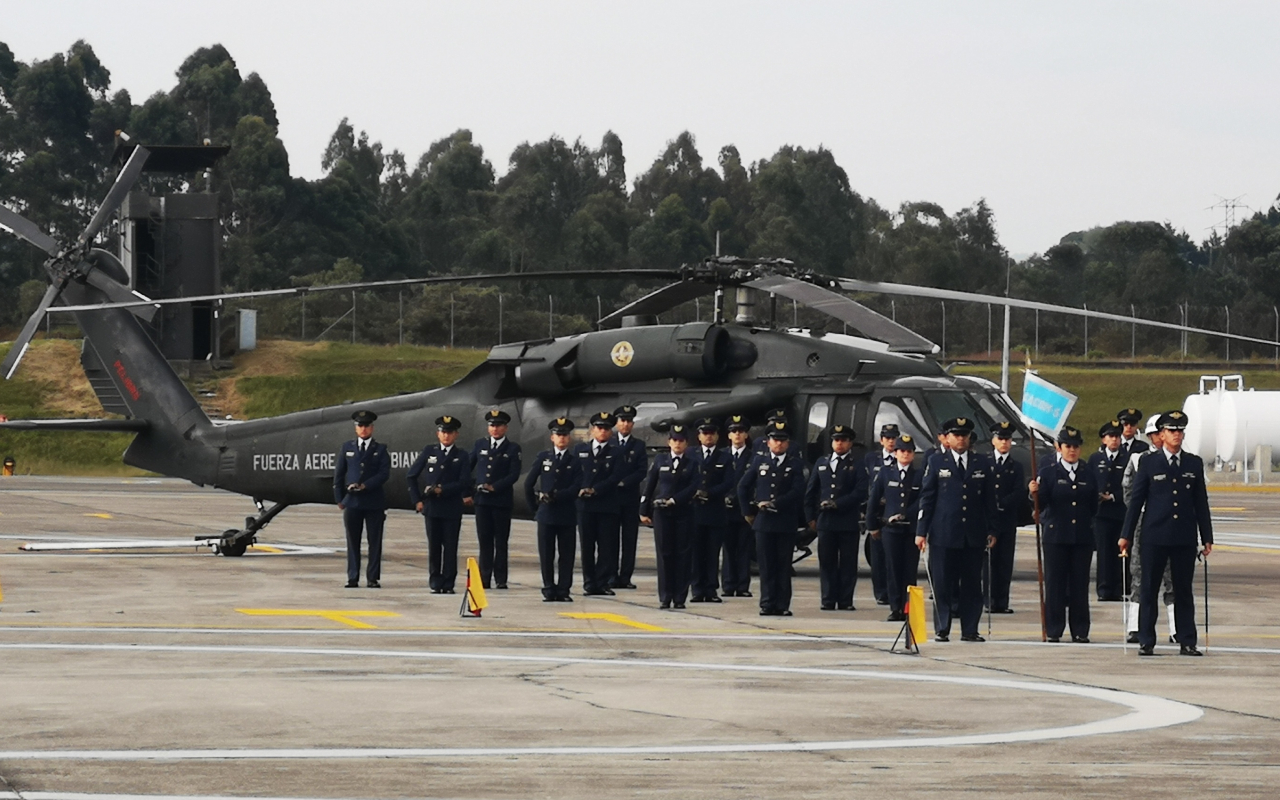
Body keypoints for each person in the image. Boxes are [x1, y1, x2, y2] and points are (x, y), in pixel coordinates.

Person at [1120, 410, 1213, 656]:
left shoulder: (1193, 463)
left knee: (1183, 591)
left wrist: (1207, 537)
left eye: (1180, 431)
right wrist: (1126, 535)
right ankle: (1146, 640)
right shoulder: (1149, 462)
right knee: (1149, 589)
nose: (1177, 435)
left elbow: (1200, 502)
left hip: (1183, 537)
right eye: (1172, 431)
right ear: (1161, 434)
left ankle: (1187, 640)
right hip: (1154, 536)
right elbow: (1136, 501)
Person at [917, 417, 997, 642]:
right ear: (948, 438)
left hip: (973, 534)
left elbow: (989, 500)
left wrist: (993, 529)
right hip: (944, 533)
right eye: (956, 435)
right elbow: (927, 498)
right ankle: (942, 627)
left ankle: (970, 629)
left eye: (964, 435)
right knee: (942, 583)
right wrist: (921, 531)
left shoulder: (981, 463)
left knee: (971, 584)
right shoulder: (936, 461)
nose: (961, 439)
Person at [1029, 426, 1098, 643]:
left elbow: (1093, 505)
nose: (1072, 450)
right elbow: (1042, 504)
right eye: (1068, 446)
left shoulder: (1088, 472)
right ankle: (1054, 629)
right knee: (1055, 583)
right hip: (1056, 536)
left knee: (1079, 584)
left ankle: (1080, 630)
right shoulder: (1048, 472)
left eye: (1076, 446)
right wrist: (1033, 493)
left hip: (1081, 537)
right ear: (1059, 447)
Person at [738, 421, 806, 617]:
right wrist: (748, 511)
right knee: (766, 566)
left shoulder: (795, 464)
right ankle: (767, 603)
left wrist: (776, 503)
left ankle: (782, 604)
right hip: (764, 522)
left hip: (785, 521)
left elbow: (798, 490)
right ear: (768, 442)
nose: (779, 443)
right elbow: (743, 486)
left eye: (782, 440)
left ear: (788, 443)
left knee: (783, 565)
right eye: (775, 440)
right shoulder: (759, 462)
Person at [1122, 415, 1177, 644]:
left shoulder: (1181, 460)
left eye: (1160, 433)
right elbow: (1128, 492)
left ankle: (1176, 628)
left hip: (1172, 525)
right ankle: (1135, 626)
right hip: (1144, 524)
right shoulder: (1139, 460)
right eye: (1154, 434)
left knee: (1173, 578)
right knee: (1139, 575)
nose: (1158, 438)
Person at [805, 424, 866, 610]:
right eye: (836, 440)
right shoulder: (822, 462)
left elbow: (861, 491)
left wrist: (839, 503)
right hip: (826, 521)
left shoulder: (857, 464)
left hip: (847, 520)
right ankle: (828, 599)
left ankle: (845, 600)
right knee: (827, 562)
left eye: (843, 440)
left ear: (850, 443)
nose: (839, 443)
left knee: (848, 563)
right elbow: (812, 491)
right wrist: (810, 516)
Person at [407, 415, 471, 594]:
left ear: (456, 434)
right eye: (443, 432)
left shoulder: (461, 455)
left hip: (451, 507)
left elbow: (464, 481)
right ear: (438, 434)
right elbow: (411, 476)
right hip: (432, 507)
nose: (446, 436)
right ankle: (435, 581)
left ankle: (448, 582)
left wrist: (443, 489)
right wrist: (417, 500)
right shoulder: (430, 451)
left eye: (450, 432)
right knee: (434, 546)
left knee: (450, 547)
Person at [524, 418, 584, 602]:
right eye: (558, 435)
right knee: (546, 554)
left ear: (569, 438)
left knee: (566, 555)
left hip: (566, 514)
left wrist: (557, 495)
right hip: (546, 514)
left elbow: (576, 487)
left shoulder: (574, 461)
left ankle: (564, 589)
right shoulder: (544, 457)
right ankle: (549, 588)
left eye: (565, 435)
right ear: (552, 437)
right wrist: (535, 508)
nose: (562, 438)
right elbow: (528, 483)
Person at [641, 424, 699, 609]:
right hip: (662, 513)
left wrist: (675, 500)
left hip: (683, 512)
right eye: (674, 440)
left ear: (686, 444)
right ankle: (665, 596)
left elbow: (693, 487)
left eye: (681, 441)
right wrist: (643, 509)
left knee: (683, 554)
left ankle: (680, 597)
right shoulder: (660, 460)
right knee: (664, 554)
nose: (677, 444)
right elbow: (650, 485)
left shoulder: (692, 463)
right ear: (669, 442)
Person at [866, 434, 923, 621]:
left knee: (909, 571)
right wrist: (872, 525)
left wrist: (907, 514)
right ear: (896, 453)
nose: (905, 454)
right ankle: (895, 607)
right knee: (892, 569)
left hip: (911, 529)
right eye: (902, 451)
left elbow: (923, 500)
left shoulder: (919, 475)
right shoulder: (885, 473)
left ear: (913, 454)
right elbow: (874, 499)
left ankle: (908, 608)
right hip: (891, 530)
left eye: (909, 451)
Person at [333, 409, 391, 589]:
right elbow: (339, 474)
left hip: (373, 501)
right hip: (352, 501)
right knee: (352, 541)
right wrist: (340, 498)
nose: (363, 429)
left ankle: (373, 577)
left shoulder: (380, 449)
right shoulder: (347, 448)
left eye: (366, 426)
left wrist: (366, 485)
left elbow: (384, 474)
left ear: (372, 428)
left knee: (375, 541)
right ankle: (353, 576)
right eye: (360, 426)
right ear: (356, 428)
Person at [470, 409, 522, 589]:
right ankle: (484, 577)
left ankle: (501, 578)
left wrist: (496, 486)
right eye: (492, 425)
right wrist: (472, 488)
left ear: (505, 428)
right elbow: (468, 467)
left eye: (499, 426)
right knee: (484, 541)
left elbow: (514, 474)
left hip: (501, 501)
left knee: (500, 541)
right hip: (482, 501)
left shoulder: (512, 448)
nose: (495, 429)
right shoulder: (480, 445)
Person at [577, 411, 622, 596]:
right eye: (599, 428)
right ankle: (589, 582)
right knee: (587, 546)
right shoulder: (580, 450)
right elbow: (574, 474)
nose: (603, 431)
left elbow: (616, 476)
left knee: (606, 547)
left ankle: (602, 582)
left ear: (610, 432)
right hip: (585, 506)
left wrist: (595, 489)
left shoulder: (616, 452)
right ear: (593, 430)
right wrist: (581, 488)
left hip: (606, 505)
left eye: (606, 429)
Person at [690, 418, 735, 603]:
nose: (708, 437)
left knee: (712, 553)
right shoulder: (691, 455)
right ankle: (696, 589)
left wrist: (709, 492)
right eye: (705, 433)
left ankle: (710, 589)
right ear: (699, 436)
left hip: (715, 511)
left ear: (717, 436)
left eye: (711, 433)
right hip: (694, 512)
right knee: (696, 554)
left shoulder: (725, 457)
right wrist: (694, 492)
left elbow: (729, 482)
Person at [984, 421, 1025, 614]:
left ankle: (1002, 601)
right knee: (989, 562)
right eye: (1000, 439)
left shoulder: (1016, 467)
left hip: (1007, 519)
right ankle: (989, 600)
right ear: (993, 441)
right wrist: (991, 505)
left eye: (1007, 439)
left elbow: (1018, 492)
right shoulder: (985, 463)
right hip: (988, 520)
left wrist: (1002, 503)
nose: (1004, 443)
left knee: (1005, 561)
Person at [1087, 420, 1128, 602]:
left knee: (1120, 551)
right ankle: (1104, 589)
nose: (1114, 440)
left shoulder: (1127, 458)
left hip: (1119, 511)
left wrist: (1112, 496)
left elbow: (1131, 486)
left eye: (1117, 436)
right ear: (1103, 439)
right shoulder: (1095, 459)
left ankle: (1118, 589)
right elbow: (1089, 481)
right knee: (1103, 552)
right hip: (1101, 514)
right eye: (1111, 436)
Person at [861, 424, 900, 606]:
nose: (891, 441)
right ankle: (881, 592)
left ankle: (894, 592)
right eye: (888, 438)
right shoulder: (872, 458)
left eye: (894, 438)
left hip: (894, 511)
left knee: (894, 556)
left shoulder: (903, 457)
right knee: (877, 556)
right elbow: (866, 482)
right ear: (881, 440)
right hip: (877, 511)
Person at [611, 405, 648, 590]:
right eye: (622, 421)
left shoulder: (638, 445)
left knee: (629, 539)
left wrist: (624, 482)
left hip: (630, 498)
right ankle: (611, 575)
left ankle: (625, 577)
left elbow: (641, 470)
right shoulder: (610, 443)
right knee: (610, 539)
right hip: (611, 498)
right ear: (616, 423)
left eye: (629, 421)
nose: (625, 424)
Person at [721, 414, 755, 598]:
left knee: (744, 549)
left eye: (741, 431)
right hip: (725, 509)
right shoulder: (722, 456)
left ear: (746, 435)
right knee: (728, 549)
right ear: (728, 435)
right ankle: (728, 585)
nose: (737, 434)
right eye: (734, 431)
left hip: (744, 510)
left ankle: (742, 586)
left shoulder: (753, 457)